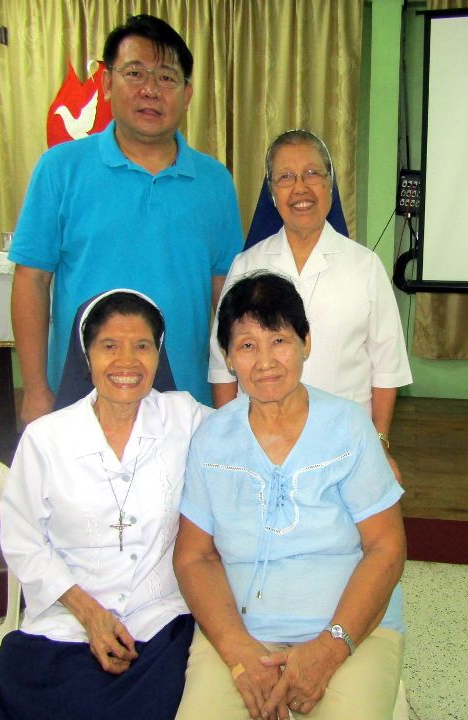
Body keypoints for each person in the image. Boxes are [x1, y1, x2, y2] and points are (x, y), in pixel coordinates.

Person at [175, 272, 406, 720]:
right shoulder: (211, 439)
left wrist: (330, 647)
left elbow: (387, 548)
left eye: (279, 340)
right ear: (227, 357)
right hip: (242, 633)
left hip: (352, 630)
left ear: (306, 342)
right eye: (246, 345)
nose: (265, 361)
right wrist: (238, 651)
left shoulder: (349, 427)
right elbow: (194, 558)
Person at [9, 14, 243, 423]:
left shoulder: (215, 182)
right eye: (135, 73)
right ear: (106, 84)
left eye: (167, 78)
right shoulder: (60, 169)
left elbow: (225, 294)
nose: (151, 89)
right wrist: (35, 390)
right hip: (82, 393)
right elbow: (31, 280)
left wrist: (229, 395)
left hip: (185, 400)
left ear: (187, 94)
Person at [0, 289, 209, 719]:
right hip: (68, 620)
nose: (127, 362)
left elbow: (253, 436)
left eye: (142, 346)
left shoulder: (185, 418)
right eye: (109, 346)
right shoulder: (46, 438)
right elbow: (22, 541)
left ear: (158, 354)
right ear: (86, 355)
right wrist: (89, 614)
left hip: (161, 622)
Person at [208, 129, 411, 478]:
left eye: (313, 173)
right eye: (285, 177)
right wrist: (228, 441)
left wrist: (379, 440)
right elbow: (221, 366)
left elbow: (387, 367)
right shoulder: (246, 266)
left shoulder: (365, 266)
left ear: (330, 184)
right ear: (271, 192)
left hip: (346, 444)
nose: (300, 187)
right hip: (260, 444)